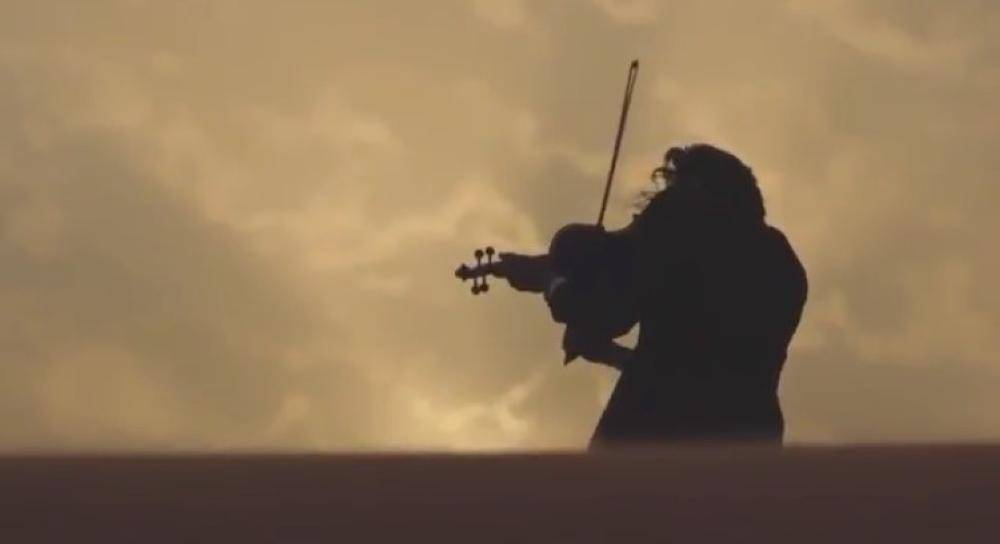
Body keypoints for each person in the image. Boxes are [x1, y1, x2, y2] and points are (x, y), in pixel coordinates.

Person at [499, 144, 808, 448]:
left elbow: (607, 314)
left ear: (695, 187)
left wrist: (551, 283)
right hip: (751, 442)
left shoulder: (680, 215)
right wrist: (610, 355)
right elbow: (699, 372)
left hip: (650, 439)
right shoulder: (782, 261)